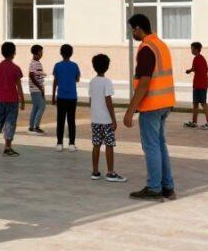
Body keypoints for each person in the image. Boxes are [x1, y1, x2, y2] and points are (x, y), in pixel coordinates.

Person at [123, 13, 176, 201]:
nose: (132, 34)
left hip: (152, 104)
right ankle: (167, 187)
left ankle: (154, 187)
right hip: (165, 103)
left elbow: (144, 82)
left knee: (151, 146)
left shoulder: (146, 48)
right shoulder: (161, 45)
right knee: (160, 145)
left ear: (138, 28)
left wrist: (130, 111)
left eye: (132, 30)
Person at [88, 54, 126, 182]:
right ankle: (110, 172)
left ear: (94, 66)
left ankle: (95, 171)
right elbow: (108, 101)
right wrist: (114, 119)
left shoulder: (92, 82)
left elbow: (91, 100)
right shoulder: (107, 82)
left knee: (96, 145)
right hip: (106, 120)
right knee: (109, 145)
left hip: (95, 119)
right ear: (107, 66)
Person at [0, 41, 25, 156]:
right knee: (10, 122)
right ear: (14, 53)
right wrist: (22, 100)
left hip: (0, 99)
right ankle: (7, 147)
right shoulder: (15, 68)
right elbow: (18, 86)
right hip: (12, 100)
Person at [51, 44, 81, 151]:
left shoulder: (57, 66)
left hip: (61, 96)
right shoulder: (75, 66)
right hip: (72, 97)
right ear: (71, 53)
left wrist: (53, 95)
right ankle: (71, 143)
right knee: (71, 120)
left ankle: (59, 143)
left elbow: (55, 81)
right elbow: (77, 79)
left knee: (60, 120)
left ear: (61, 53)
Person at [184, 41, 208, 130]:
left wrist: (190, 71)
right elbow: (205, 69)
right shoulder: (200, 58)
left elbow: (201, 69)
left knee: (203, 104)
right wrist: (191, 70)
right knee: (195, 104)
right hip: (198, 84)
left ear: (196, 49)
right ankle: (194, 122)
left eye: (192, 48)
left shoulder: (198, 58)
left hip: (201, 85)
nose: (191, 50)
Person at [27, 46, 47, 134]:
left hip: (35, 89)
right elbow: (31, 75)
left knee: (35, 107)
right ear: (38, 52)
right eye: (41, 52)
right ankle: (36, 127)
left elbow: (35, 74)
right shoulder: (35, 63)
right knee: (42, 106)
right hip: (36, 89)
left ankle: (31, 126)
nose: (42, 54)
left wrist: (42, 74)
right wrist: (39, 87)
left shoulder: (36, 62)